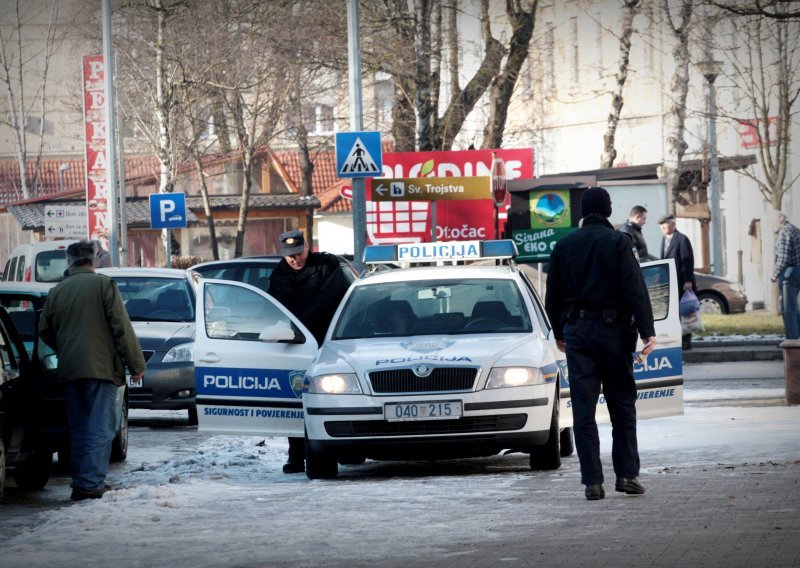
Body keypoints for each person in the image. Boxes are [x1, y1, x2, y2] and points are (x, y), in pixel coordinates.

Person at [545, 187, 656, 501]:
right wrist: (647, 330)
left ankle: (592, 482)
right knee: (621, 404)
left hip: (577, 332)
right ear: (607, 211)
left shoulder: (564, 245)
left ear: (583, 212)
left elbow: (552, 294)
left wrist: (559, 333)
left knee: (583, 408)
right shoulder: (619, 242)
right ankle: (627, 475)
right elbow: (635, 289)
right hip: (614, 333)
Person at [39, 240, 145, 501]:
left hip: (71, 369)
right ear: (94, 260)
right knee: (100, 427)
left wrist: (67, 346)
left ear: (69, 262)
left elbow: (45, 331)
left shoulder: (57, 291)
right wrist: (136, 364)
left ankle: (81, 482)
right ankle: (90, 485)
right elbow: (121, 327)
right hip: (101, 369)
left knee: (79, 427)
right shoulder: (103, 285)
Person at [267, 230, 349, 474]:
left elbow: (328, 299)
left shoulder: (327, 264)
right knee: (296, 400)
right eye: (289, 256)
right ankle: (296, 455)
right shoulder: (280, 273)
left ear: (307, 248)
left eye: (298, 253)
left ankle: (339, 448)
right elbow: (275, 307)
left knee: (331, 397)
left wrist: (302, 325)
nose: (295, 260)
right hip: (296, 345)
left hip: (328, 342)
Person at [658, 213, 696, 350]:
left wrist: (688, 280)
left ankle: (686, 341)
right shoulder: (664, 239)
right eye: (661, 225)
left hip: (682, 282)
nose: (662, 227)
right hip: (671, 283)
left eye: (665, 224)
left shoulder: (682, 239)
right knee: (675, 313)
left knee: (685, 312)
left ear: (673, 224)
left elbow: (687, 260)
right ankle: (677, 339)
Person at [770, 214, 800, 339]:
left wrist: (774, 274)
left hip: (790, 272)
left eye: (773, 222)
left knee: (788, 309)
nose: (772, 226)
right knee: (793, 307)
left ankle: (792, 341)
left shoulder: (784, 232)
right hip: (797, 270)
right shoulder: (794, 229)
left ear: (780, 221)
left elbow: (783, 258)